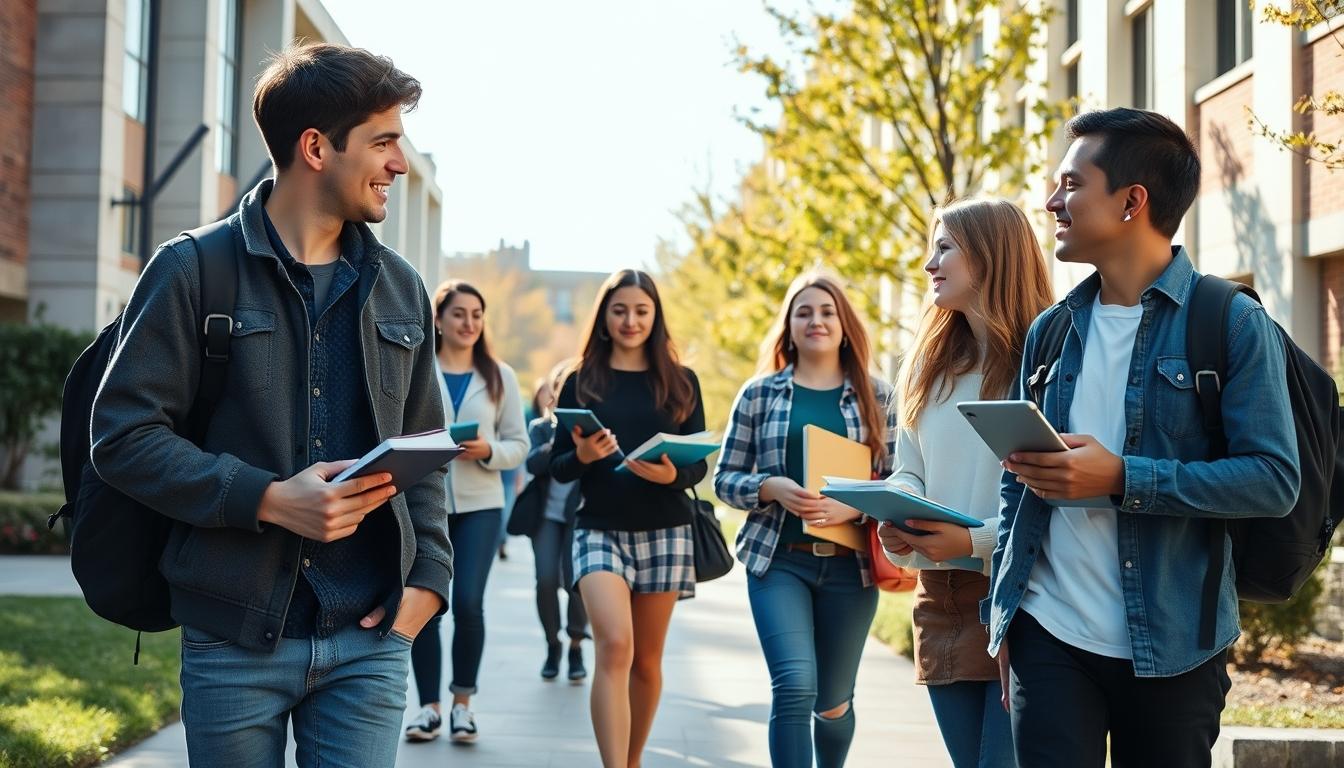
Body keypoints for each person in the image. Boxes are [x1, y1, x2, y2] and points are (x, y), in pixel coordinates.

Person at [89, 43, 449, 767]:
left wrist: (429, 586)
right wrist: (268, 499)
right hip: (232, 640)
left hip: (372, 639)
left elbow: (426, 450)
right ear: (316, 147)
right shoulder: (192, 269)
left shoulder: (401, 288)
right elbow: (123, 435)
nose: (399, 164)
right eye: (383, 141)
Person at [985, 108, 1300, 767]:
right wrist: (1004, 615)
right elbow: (1017, 483)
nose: (1051, 202)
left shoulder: (1230, 323)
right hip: (1048, 634)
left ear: (1132, 201)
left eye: (1071, 185)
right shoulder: (1051, 332)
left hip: (1177, 644)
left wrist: (1124, 478)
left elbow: (1273, 478)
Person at [876, 198, 1053, 768]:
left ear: (991, 255)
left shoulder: (1046, 362)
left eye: (944, 247)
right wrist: (899, 512)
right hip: (942, 600)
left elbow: (1055, 496)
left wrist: (972, 541)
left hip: (1024, 602)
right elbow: (911, 465)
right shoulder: (927, 367)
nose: (930, 263)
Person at [714, 271, 897, 768]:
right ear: (789, 326)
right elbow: (724, 478)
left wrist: (857, 505)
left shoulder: (879, 398)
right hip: (778, 563)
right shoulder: (758, 394)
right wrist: (766, 487)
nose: (816, 320)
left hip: (851, 568)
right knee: (794, 684)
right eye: (804, 312)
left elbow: (904, 482)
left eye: (827, 311)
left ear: (844, 324)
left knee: (833, 703)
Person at [549, 269, 707, 768]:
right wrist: (585, 457)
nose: (631, 320)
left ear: (655, 315)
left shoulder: (682, 382)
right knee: (615, 646)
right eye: (620, 310)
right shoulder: (580, 380)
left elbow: (697, 463)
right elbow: (557, 467)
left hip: (666, 529)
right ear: (603, 316)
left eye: (641, 310)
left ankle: (633, 759)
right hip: (598, 528)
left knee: (647, 661)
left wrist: (670, 477)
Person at [404, 281, 528, 744]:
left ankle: (463, 707)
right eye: (459, 314)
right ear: (438, 319)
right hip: (426, 506)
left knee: (470, 602)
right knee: (427, 605)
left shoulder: (500, 376)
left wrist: (487, 450)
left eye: (477, 314)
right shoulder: (418, 368)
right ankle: (429, 709)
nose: (469, 323)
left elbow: (520, 444)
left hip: (481, 507)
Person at [521, 361, 589, 681]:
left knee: (576, 582)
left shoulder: (590, 431)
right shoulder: (540, 428)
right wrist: (559, 442)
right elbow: (533, 464)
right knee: (546, 580)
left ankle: (576, 645)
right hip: (545, 518)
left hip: (580, 516)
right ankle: (553, 644)